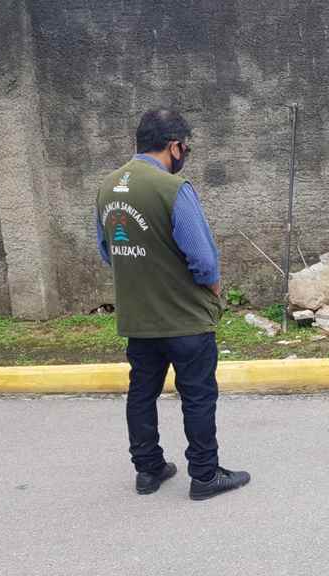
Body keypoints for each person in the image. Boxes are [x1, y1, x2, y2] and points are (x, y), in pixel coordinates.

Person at [96, 108, 250, 501]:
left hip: (138, 319)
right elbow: (204, 260)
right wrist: (214, 290)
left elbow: (107, 250)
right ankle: (205, 476)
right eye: (185, 148)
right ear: (174, 146)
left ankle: (148, 470)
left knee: (141, 393)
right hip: (185, 319)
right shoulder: (172, 188)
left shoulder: (107, 188)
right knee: (197, 395)